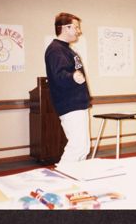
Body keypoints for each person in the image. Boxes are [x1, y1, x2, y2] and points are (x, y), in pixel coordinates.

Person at [45, 12, 91, 164]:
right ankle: (61, 179)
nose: (79, 31)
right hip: (70, 104)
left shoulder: (67, 49)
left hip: (77, 104)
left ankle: (77, 180)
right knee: (77, 147)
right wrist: (72, 77)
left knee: (83, 147)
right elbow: (58, 76)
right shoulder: (56, 49)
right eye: (76, 27)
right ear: (65, 28)